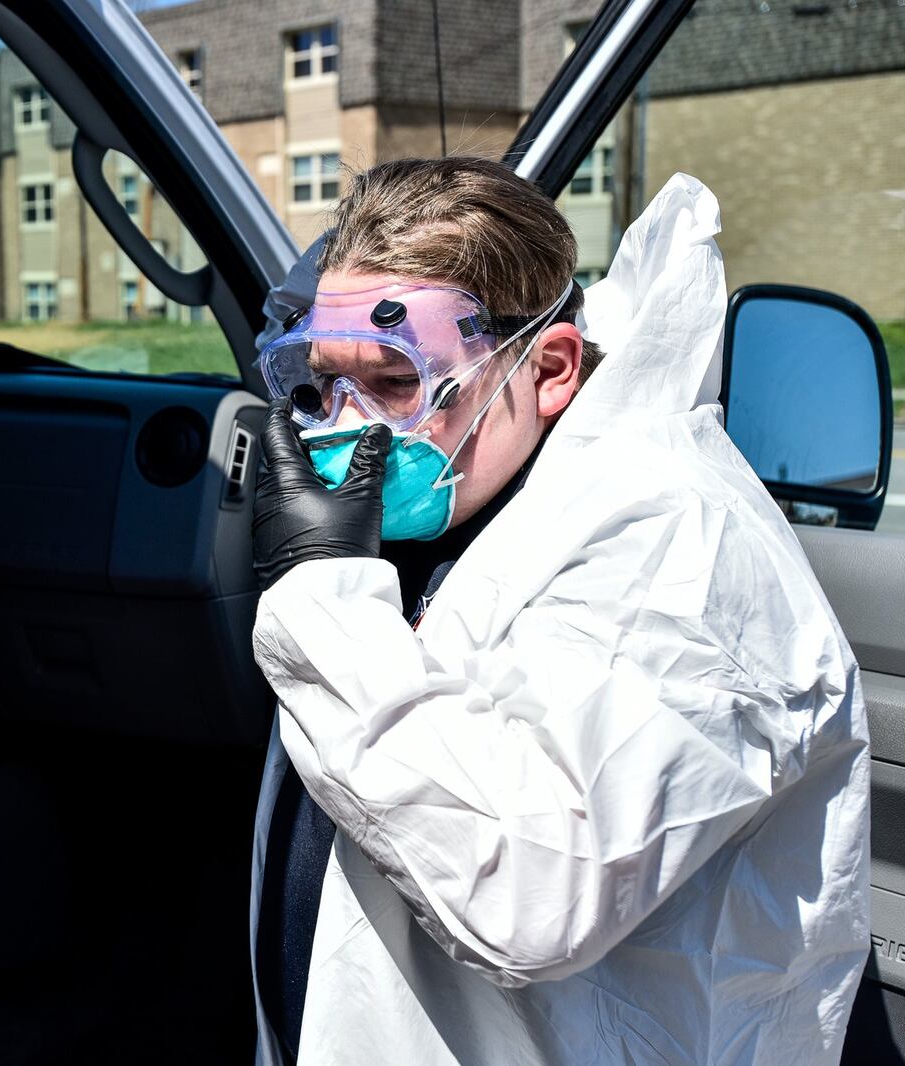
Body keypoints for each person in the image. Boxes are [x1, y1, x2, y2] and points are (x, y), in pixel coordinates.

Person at [246, 157, 870, 1065]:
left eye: (393, 381)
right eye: (320, 384)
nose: (344, 425)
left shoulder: (681, 554)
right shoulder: (465, 495)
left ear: (550, 370)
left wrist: (322, 600)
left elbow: (531, 895)